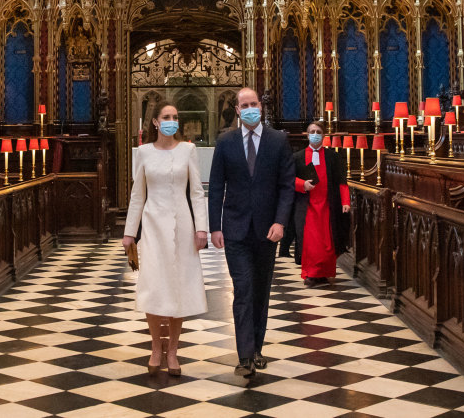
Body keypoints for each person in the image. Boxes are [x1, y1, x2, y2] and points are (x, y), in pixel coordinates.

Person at [208, 86, 294, 377]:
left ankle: (256, 348)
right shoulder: (225, 142)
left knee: (261, 290)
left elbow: (286, 186)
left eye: (253, 103)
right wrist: (215, 227)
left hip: (267, 230)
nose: (249, 109)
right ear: (236, 110)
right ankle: (245, 356)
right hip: (235, 229)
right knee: (243, 290)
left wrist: (281, 222)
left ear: (261, 106)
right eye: (243, 105)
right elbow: (216, 186)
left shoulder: (278, 140)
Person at [123, 100, 208, 376]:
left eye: (176, 116)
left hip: (183, 226)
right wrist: (128, 232)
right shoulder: (144, 152)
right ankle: (155, 348)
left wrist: (201, 228)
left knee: (178, 286)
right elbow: (138, 195)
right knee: (154, 285)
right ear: (156, 122)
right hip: (153, 227)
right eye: (166, 116)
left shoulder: (188, 150)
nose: (172, 120)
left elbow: (196, 192)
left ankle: (172, 351)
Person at [293, 121, 351, 286]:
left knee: (327, 243)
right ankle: (311, 274)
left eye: (318, 131)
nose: (315, 134)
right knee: (311, 242)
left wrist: (345, 201)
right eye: (312, 131)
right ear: (307, 134)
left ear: (323, 135)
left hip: (328, 206)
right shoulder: (297, 157)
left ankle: (324, 273)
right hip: (307, 206)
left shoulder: (333, 157)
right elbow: (287, 179)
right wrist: (302, 184)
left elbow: (342, 181)